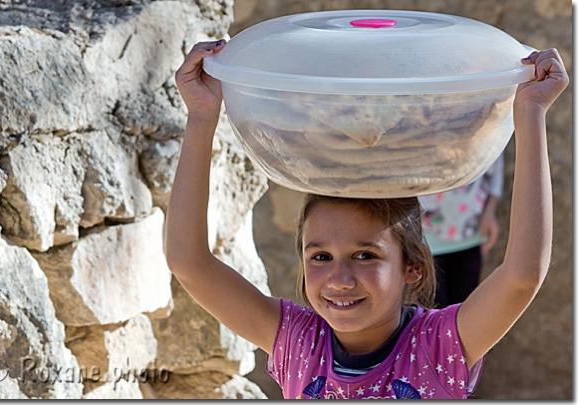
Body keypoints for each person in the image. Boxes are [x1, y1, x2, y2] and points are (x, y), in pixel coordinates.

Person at [166, 39, 568, 399]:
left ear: (413, 267)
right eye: (320, 257)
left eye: (365, 256)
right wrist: (202, 116)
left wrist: (530, 113)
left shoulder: (437, 347)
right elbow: (189, 263)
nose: (339, 279)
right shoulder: (295, 341)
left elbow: (522, 276)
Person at [419, 155, 504, 308]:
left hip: (469, 234)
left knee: (466, 314)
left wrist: (490, 211)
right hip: (425, 239)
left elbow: (496, 164)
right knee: (433, 316)